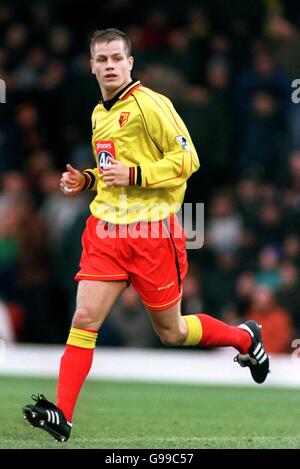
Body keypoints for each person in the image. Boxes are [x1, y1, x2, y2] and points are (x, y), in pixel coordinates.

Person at [22, 28, 270, 442]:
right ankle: (62, 415)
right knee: (83, 319)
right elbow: (114, 170)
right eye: (102, 60)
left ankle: (244, 337)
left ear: (130, 63)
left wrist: (135, 174)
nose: (110, 66)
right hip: (106, 231)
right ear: (92, 66)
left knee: (171, 332)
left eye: (117, 58)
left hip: (152, 233)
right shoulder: (100, 113)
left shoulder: (152, 105)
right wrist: (87, 179)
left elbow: (188, 158)